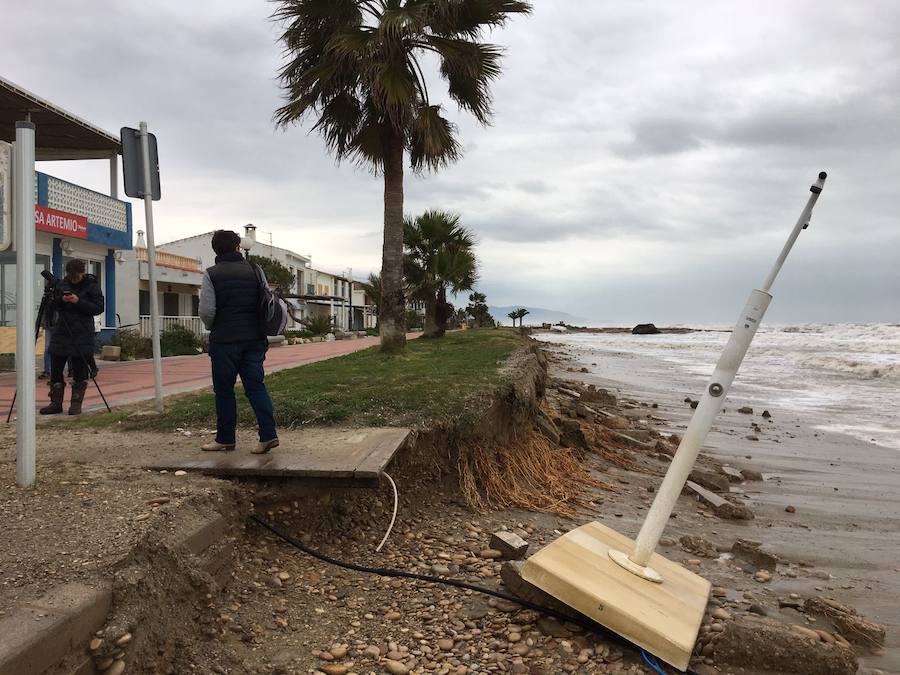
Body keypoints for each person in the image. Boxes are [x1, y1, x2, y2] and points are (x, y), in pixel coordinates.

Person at [198, 229, 278, 454]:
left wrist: (214, 326)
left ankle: (225, 439)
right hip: (254, 338)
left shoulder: (211, 274)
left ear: (215, 250)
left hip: (224, 341)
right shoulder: (255, 269)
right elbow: (267, 300)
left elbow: (206, 311)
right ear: (238, 247)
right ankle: (268, 435)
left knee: (224, 390)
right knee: (255, 387)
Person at [39, 259, 104, 415]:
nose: (74, 279)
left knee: (79, 369)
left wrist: (78, 301)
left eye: (77, 277)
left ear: (82, 272)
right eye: (71, 276)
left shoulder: (91, 285)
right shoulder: (62, 285)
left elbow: (98, 308)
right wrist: (61, 299)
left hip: (81, 332)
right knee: (56, 367)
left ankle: (76, 403)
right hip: (62, 330)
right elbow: (52, 305)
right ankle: (55, 403)